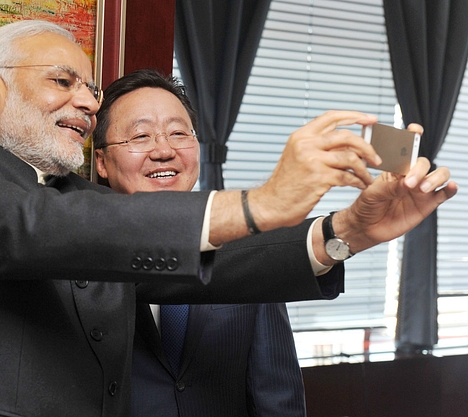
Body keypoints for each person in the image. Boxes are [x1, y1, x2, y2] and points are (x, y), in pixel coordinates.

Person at [0, 19, 457, 417]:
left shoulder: (83, 202)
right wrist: (261, 203)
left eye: (91, 90)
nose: (86, 101)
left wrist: (345, 232)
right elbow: (31, 227)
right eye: (63, 81)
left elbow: (215, 270)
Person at [93, 69, 307, 416]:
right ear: (101, 161)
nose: (163, 150)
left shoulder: (245, 247)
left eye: (178, 133)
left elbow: (276, 392)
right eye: (141, 136)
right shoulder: (79, 248)